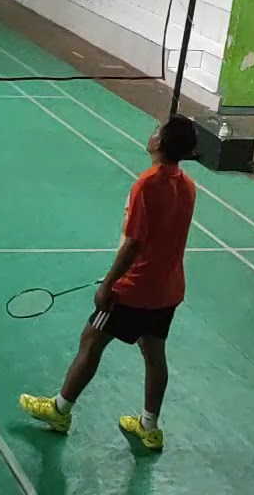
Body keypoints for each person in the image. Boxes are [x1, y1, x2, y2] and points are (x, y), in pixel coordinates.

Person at [18, 114, 199, 451]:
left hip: (134, 290)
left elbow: (134, 243)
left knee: (91, 340)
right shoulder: (187, 185)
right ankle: (149, 427)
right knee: (154, 353)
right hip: (168, 289)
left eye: (157, 130)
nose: (152, 133)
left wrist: (109, 285)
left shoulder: (147, 184)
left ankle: (60, 410)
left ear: (160, 142)